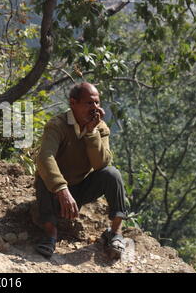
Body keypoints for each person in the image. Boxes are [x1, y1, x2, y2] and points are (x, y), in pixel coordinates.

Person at [32, 82, 128, 259]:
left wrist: (91, 133)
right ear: (73, 103)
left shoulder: (100, 128)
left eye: (97, 103)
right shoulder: (57, 125)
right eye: (89, 103)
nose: (95, 108)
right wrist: (62, 189)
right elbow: (45, 158)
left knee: (112, 174)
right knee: (44, 177)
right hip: (55, 191)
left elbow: (101, 164)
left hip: (80, 187)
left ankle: (115, 232)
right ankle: (50, 234)